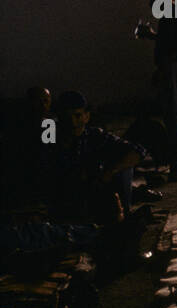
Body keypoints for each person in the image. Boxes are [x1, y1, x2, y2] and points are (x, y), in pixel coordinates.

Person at [36, 91, 145, 224]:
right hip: (61, 194)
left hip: (90, 189)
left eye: (78, 116)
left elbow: (137, 151)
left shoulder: (93, 135)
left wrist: (110, 171)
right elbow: (43, 166)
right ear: (59, 117)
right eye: (67, 116)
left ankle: (121, 220)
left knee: (124, 168)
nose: (73, 122)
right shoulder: (50, 132)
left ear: (87, 116)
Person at [136, 8, 177, 179]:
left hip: (175, 69)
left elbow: (171, 50)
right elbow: (174, 43)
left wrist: (162, 70)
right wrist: (153, 36)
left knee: (173, 117)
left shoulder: (169, 16)